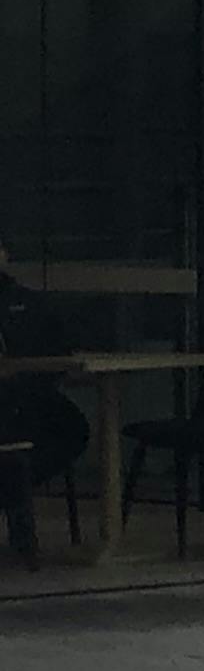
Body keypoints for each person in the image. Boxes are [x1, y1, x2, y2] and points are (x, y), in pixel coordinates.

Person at [0, 241, 92, 568]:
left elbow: (59, 342)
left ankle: (12, 490)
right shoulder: (22, 299)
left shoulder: (25, 299)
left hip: (30, 396)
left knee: (73, 429)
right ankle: (13, 493)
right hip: (14, 401)